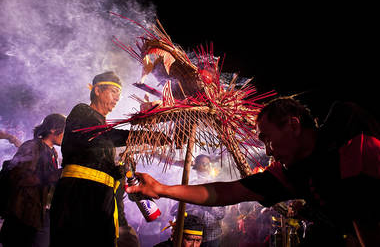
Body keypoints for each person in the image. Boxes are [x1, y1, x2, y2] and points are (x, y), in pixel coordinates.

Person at [127, 97, 380, 246]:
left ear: (293, 125)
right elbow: (229, 191)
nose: (268, 151)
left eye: (268, 139)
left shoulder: (353, 141)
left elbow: (366, 217)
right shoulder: (291, 173)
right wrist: (162, 189)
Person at [50, 71, 138, 247]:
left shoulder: (103, 127)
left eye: (119, 94)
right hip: (78, 194)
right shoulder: (82, 111)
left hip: (102, 197)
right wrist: (142, 136)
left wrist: (118, 172)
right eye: (113, 91)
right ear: (97, 90)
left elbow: (102, 160)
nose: (117, 98)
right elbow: (102, 136)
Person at [0, 113, 66, 247]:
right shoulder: (32, 146)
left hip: (40, 216)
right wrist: (49, 177)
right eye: (65, 130)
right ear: (53, 129)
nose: (66, 135)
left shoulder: (53, 152)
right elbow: (18, 177)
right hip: (23, 217)